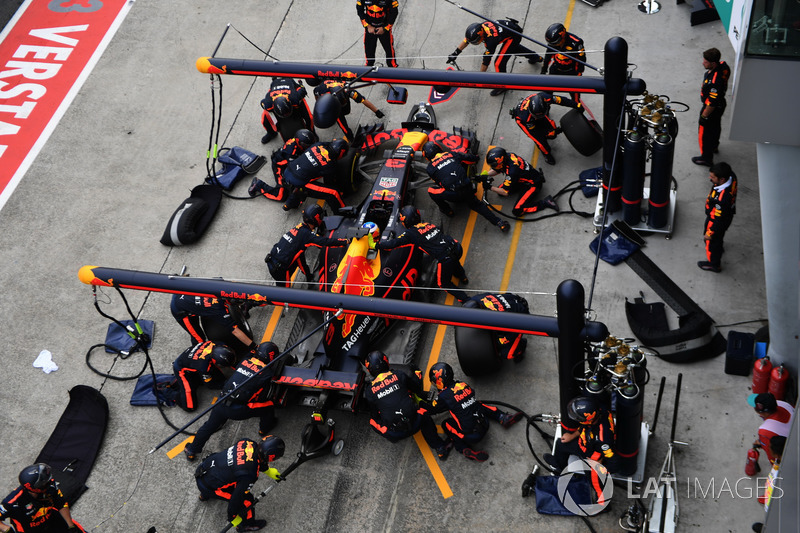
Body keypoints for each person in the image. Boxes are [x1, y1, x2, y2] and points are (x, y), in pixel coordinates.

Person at [185, 342, 282, 461]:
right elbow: (264, 394)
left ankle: (191, 449)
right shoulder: (267, 374)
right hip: (238, 410)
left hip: (222, 400)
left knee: (209, 426)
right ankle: (264, 428)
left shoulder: (245, 360)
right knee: (269, 406)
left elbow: (251, 352)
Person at [363, 351, 454, 460]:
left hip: (394, 433)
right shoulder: (399, 374)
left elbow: (374, 415)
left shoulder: (369, 391)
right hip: (415, 423)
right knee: (423, 413)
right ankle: (440, 447)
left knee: (373, 421)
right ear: (386, 362)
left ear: (370, 370)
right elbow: (416, 388)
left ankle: (393, 438)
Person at [427, 362, 523, 462]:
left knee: (446, 424)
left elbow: (431, 409)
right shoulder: (462, 384)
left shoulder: (442, 397)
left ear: (440, 380)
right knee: (477, 404)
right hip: (485, 423)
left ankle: (463, 448)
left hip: (472, 436)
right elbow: (471, 393)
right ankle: (502, 417)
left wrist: (420, 403)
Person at [376, 205, 470, 303]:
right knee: (453, 259)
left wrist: (377, 245)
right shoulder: (428, 224)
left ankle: (466, 300)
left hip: (446, 258)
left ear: (405, 221)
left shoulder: (410, 234)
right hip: (457, 246)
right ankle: (462, 276)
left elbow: (394, 243)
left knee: (442, 283)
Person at [194, 436, 285, 532]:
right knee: (247, 501)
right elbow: (236, 498)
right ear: (271, 457)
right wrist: (232, 516)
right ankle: (247, 524)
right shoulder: (250, 474)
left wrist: (268, 470)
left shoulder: (247, 442)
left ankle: (204, 496)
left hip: (203, 469)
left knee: (232, 474)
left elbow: (252, 459)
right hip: (208, 486)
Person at [423, 142, 510, 232]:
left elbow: (439, 183)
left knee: (431, 191)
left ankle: (448, 210)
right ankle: (500, 223)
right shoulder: (451, 154)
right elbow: (469, 159)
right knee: (478, 205)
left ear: (427, 156)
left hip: (453, 195)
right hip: (468, 188)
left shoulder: (430, 168)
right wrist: (476, 158)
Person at [448, 18, 542, 96]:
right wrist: (455, 53)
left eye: (475, 41)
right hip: (509, 30)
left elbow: (486, 62)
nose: (474, 43)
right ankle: (536, 57)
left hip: (514, 35)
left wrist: (479, 77)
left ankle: (503, 86)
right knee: (514, 49)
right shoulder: (480, 27)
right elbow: (467, 40)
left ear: (481, 36)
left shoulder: (491, 41)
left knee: (499, 63)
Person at [265, 204, 349, 287]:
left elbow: (300, 259)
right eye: (320, 216)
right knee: (284, 295)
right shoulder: (307, 235)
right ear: (315, 219)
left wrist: (308, 276)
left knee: (299, 258)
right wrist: (345, 242)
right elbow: (325, 242)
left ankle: (309, 278)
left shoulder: (300, 227)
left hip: (273, 260)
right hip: (280, 269)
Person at [544, 396, 620, 474]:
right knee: (561, 442)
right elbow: (585, 426)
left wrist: (599, 468)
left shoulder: (602, 441)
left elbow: (614, 465)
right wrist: (572, 436)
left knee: (561, 444)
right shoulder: (601, 410)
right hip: (585, 442)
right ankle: (559, 465)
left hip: (589, 455)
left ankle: (563, 472)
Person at [0, 463, 86, 532]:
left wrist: (71, 526)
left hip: (53, 520)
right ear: (36, 487)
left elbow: (61, 503)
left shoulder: (50, 486)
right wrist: (6, 529)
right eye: (45, 482)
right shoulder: (12, 502)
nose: (50, 481)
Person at [484, 146, 559, 216]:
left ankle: (546, 202)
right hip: (521, 179)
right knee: (499, 191)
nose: (492, 167)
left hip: (533, 185)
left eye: (494, 165)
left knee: (517, 211)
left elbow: (505, 192)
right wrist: (484, 175)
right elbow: (498, 169)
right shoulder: (509, 156)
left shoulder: (512, 171)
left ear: (501, 161)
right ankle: (522, 191)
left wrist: (490, 187)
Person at [510, 92, 582, 165]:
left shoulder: (546, 97)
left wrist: (577, 105)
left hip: (533, 114)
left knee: (552, 132)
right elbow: (536, 132)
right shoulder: (526, 118)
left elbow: (561, 100)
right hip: (523, 122)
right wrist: (546, 133)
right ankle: (547, 155)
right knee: (540, 142)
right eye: (537, 116)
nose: (539, 118)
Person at [249, 129, 318, 203]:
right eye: (306, 145)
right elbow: (294, 169)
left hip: (288, 161)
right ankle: (258, 184)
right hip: (280, 167)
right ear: (299, 142)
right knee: (281, 196)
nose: (309, 147)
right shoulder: (291, 152)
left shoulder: (298, 142)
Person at [281, 139, 351, 212]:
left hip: (288, 170)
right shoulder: (330, 165)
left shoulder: (318, 144)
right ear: (341, 152)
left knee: (308, 174)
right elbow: (329, 183)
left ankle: (289, 203)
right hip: (299, 180)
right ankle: (343, 214)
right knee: (334, 193)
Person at [171, 293, 257, 349]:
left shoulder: (219, 283)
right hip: (180, 310)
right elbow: (235, 331)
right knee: (199, 340)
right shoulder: (218, 310)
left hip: (183, 293)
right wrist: (254, 347)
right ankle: (194, 358)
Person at [462, 292, 530, 362]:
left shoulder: (501, 322)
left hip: (520, 318)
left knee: (507, 353)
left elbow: (505, 338)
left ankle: (521, 346)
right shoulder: (476, 299)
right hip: (510, 300)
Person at [692, 47, 730, 167]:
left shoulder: (714, 81)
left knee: (705, 133)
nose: (703, 63)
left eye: (706, 62)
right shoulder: (724, 66)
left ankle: (706, 158)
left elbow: (712, 102)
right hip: (721, 105)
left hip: (711, 108)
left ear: (713, 63)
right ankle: (714, 146)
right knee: (715, 127)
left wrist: (704, 116)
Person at [173, 341, 236, 411]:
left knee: (220, 378)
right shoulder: (203, 366)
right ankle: (170, 394)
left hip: (193, 358)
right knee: (190, 407)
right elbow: (210, 385)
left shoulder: (220, 344)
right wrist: (226, 385)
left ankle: (194, 379)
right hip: (180, 369)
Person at [312, 79, 384, 142]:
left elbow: (363, 100)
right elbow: (317, 99)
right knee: (343, 126)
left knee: (347, 111)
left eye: (343, 101)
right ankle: (351, 139)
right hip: (332, 104)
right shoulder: (321, 91)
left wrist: (377, 111)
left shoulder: (348, 90)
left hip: (337, 96)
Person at [698, 162, 737, 273]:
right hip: (727, 216)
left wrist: (709, 233)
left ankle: (714, 264)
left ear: (722, 179)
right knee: (718, 239)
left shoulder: (721, 199)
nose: (710, 179)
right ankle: (718, 247)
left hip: (716, 220)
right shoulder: (732, 176)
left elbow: (718, 220)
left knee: (711, 242)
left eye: (712, 177)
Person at [540, 23, 586, 102]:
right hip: (556, 69)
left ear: (563, 36)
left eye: (555, 43)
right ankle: (546, 105)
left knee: (575, 93)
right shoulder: (553, 42)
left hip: (571, 72)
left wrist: (579, 72)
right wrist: (544, 69)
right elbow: (548, 55)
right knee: (547, 90)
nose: (554, 45)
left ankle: (577, 106)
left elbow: (582, 59)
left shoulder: (576, 42)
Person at [259, 77, 313, 145]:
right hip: (275, 85)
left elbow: (302, 89)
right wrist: (275, 123)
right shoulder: (267, 104)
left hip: (289, 84)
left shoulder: (295, 98)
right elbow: (269, 112)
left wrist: (300, 85)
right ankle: (271, 134)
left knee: (309, 117)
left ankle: (311, 131)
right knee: (264, 121)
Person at [748, 392, 794, 465]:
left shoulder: (765, 431)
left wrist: (764, 443)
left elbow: (773, 455)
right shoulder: (784, 404)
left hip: (792, 450)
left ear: (761, 412)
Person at [356, 0, 399, 67]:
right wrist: (368, 26)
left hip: (384, 29)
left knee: (390, 55)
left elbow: (394, 13)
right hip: (370, 29)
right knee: (369, 58)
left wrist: (385, 28)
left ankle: (393, 71)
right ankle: (368, 72)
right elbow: (359, 11)